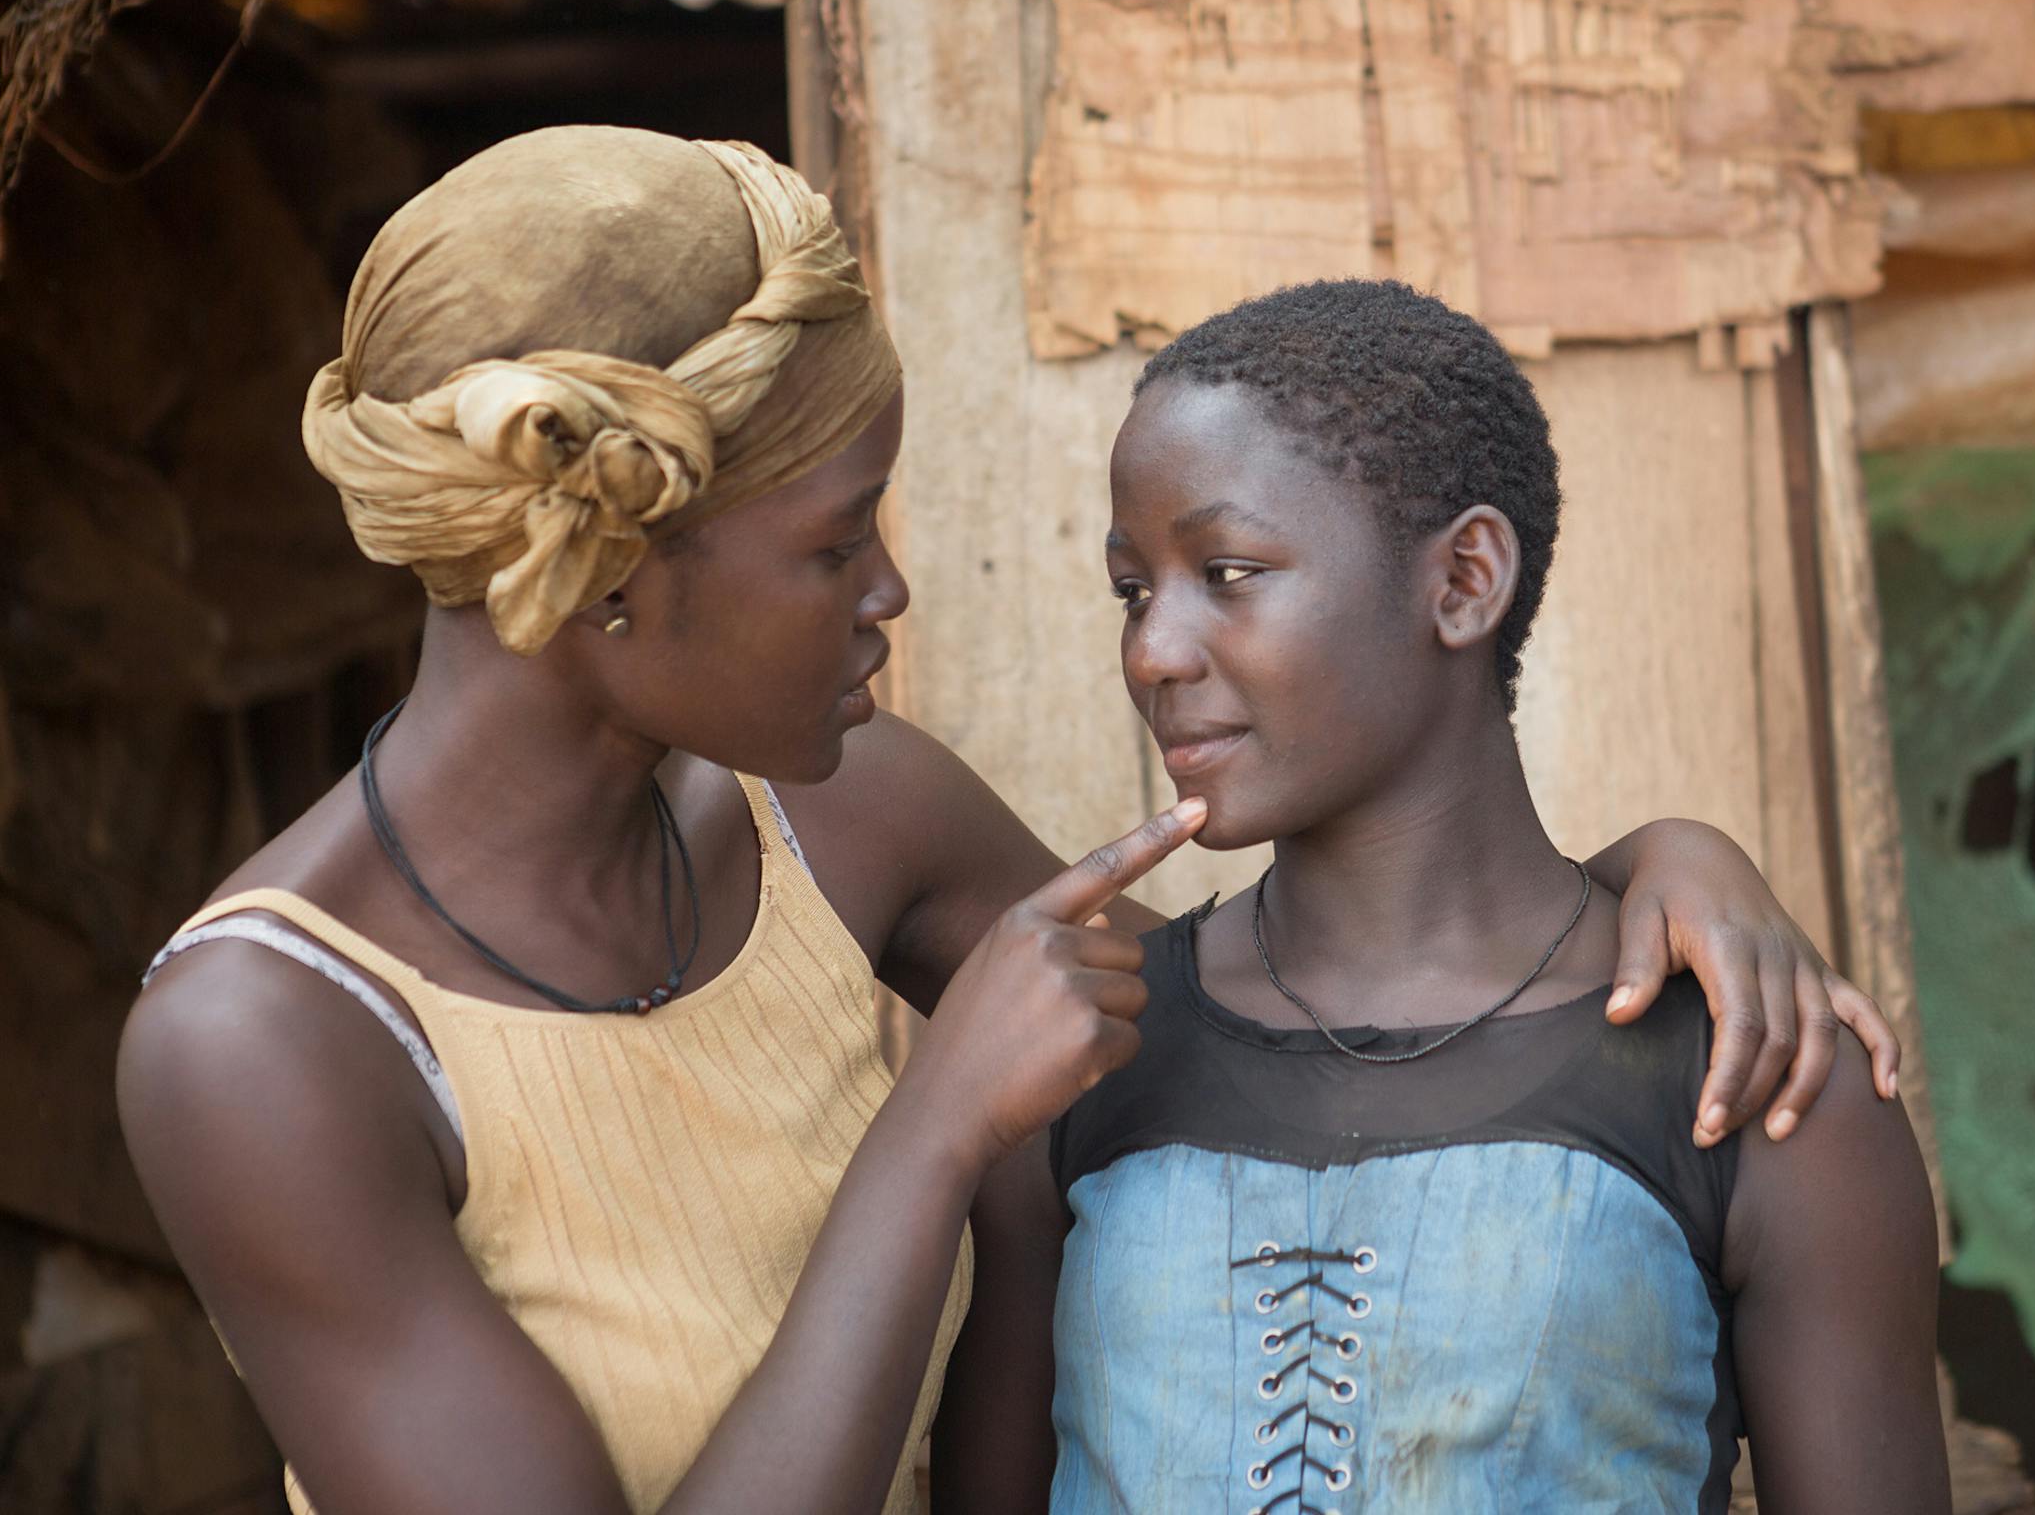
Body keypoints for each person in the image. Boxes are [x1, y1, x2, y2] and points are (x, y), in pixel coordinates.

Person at [116, 130, 1899, 1515]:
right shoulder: (264, 1045)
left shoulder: (850, 822)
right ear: (605, 580)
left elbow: (1367, 954)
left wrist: (1671, 866)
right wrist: (933, 1128)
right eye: (835, 541)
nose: (893, 588)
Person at [934, 280, 1948, 1515]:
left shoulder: (1756, 1077)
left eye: (1228, 568)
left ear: (1465, 578)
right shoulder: (1078, 1057)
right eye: (1133, 588)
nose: (1153, 649)